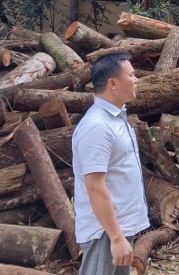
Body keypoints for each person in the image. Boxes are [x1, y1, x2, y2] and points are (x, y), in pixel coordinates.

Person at [72, 53, 149, 275]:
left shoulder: (116, 119)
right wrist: (115, 237)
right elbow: (95, 187)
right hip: (104, 232)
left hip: (117, 227)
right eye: (132, 75)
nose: (136, 79)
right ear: (113, 83)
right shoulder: (97, 127)